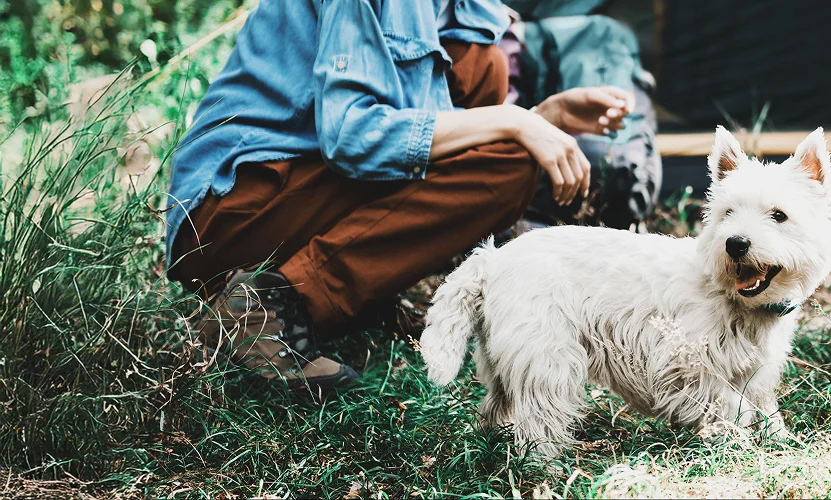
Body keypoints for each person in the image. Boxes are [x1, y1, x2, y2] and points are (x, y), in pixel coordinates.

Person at [165, 0, 634, 394]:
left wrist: (540, 115)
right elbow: (352, 135)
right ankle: (272, 307)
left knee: (483, 67)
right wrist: (516, 123)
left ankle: (363, 294)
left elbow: (435, 128)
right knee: (512, 159)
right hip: (231, 211)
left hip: (292, 194)